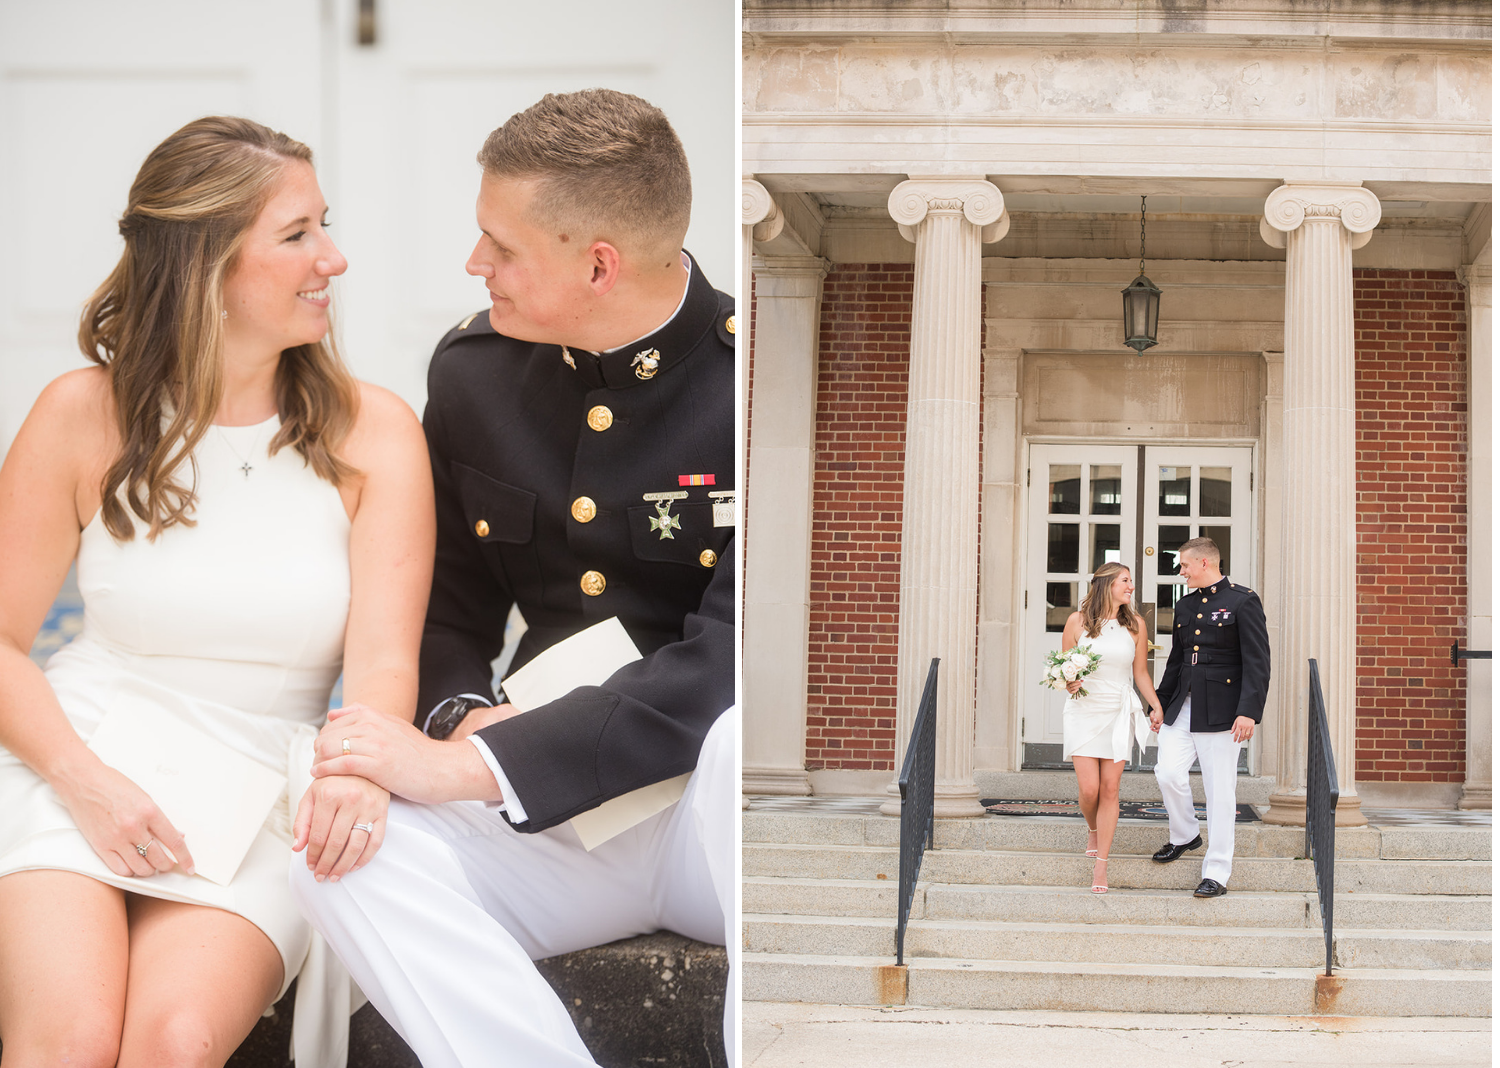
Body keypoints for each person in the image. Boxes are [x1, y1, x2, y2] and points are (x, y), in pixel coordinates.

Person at [289, 89, 735, 1068]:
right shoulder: (476, 376)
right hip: (552, 822)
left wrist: (481, 764)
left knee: (749, 736)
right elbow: (448, 611)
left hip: (703, 812)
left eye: (499, 244)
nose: (472, 264)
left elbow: (729, 662)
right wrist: (454, 718)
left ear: (598, 264)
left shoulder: (755, 384)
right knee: (331, 842)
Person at [0, 116, 432, 1067]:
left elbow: (384, 663)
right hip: (82, 758)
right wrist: (87, 782)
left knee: (177, 1041)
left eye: (327, 224)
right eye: (298, 234)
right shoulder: (81, 415)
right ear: (204, 263)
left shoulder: (377, 436)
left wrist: (355, 774)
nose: (336, 258)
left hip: (264, 790)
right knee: (65, 1042)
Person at [1151, 537, 1270, 897]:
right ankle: (1186, 835)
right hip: (1183, 706)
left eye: (1185, 565)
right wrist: (1159, 702)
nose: (1181, 571)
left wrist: (1249, 710)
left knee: (1220, 791)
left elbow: (1257, 662)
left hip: (1222, 710)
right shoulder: (1185, 606)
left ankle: (1216, 873)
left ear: (1204, 563)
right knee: (1167, 772)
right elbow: (1176, 660)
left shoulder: (1242, 600)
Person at [1059, 562, 1161, 894]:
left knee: (1111, 789)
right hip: (1084, 710)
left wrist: (1155, 705)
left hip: (1118, 710)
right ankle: (1092, 828)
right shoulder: (1077, 622)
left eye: (1131, 581)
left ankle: (1101, 865)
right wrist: (1070, 682)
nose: (1131, 587)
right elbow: (1064, 668)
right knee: (1089, 791)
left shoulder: (1135, 626)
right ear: (1107, 585)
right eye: (1125, 581)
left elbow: (1140, 673)